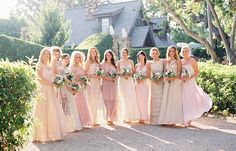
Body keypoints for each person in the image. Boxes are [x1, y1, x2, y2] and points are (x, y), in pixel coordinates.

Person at [33, 47, 67, 142]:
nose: (47, 55)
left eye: (48, 54)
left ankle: (53, 133)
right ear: (41, 55)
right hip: (42, 90)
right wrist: (51, 83)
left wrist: (58, 82)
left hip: (51, 90)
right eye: (45, 53)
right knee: (41, 110)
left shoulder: (50, 65)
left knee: (52, 110)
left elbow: (53, 77)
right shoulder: (39, 65)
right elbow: (39, 78)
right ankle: (38, 135)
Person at [180, 46, 212, 127]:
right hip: (182, 83)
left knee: (190, 100)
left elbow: (196, 72)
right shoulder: (181, 61)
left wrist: (188, 78)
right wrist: (182, 77)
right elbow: (179, 72)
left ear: (189, 52)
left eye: (186, 51)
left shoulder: (193, 60)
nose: (184, 53)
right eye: (183, 51)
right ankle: (184, 118)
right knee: (183, 100)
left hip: (190, 83)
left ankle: (189, 119)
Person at [159, 46, 184, 125]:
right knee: (167, 99)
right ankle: (166, 119)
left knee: (174, 100)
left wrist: (172, 78)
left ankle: (174, 120)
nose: (171, 52)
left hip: (175, 82)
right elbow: (164, 72)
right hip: (167, 82)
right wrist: (166, 77)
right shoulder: (165, 61)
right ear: (168, 52)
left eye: (173, 51)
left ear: (175, 52)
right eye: (170, 51)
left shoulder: (178, 61)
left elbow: (179, 72)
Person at [60, 53, 83, 132]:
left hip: (70, 89)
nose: (67, 60)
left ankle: (74, 125)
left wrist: (75, 88)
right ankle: (68, 126)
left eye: (68, 58)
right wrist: (70, 90)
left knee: (72, 106)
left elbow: (71, 80)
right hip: (65, 90)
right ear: (61, 59)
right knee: (66, 107)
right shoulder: (60, 69)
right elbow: (62, 82)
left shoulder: (68, 69)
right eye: (65, 58)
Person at [70, 51, 93, 128]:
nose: (78, 58)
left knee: (83, 103)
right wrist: (79, 79)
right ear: (74, 58)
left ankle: (84, 121)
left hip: (82, 87)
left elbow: (86, 75)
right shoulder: (72, 67)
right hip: (76, 87)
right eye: (76, 57)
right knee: (77, 103)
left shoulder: (81, 66)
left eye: (79, 57)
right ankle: (78, 122)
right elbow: (71, 78)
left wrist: (85, 79)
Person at [117, 48, 139, 123]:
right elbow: (117, 72)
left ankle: (131, 115)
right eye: (122, 53)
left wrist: (129, 74)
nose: (124, 54)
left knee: (130, 97)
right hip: (122, 80)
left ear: (127, 53)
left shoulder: (131, 61)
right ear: (121, 54)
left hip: (129, 80)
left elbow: (133, 71)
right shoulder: (119, 62)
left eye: (125, 52)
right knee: (123, 97)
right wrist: (123, 75)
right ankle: (124, 116)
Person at [85, 47, 104, 126]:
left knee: (96, 100)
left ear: (96, 53)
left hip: (97, 82)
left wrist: (99, 75)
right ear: (89, 52)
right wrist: (93, 75)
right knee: (91, 100)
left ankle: (95, 119)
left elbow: (100, 72)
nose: (93, 53)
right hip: (91, 82)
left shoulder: (97, 61)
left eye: (94, 51)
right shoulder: (88, 61)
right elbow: (86, 73)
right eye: (92, 51)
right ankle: (90, 120)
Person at [147, 47, 164, 125]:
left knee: (161, 99)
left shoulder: (162, 61)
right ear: (151, 54)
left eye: (156, 53)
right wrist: (154, 79)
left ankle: (161, 119)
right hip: (153, 83)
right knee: (154, 100)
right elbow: (148, 74)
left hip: (161, 82)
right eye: (153, 53)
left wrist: (160, 78)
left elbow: (165, 72)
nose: (154, 54)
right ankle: (154, 120)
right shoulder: (149, 63)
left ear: (158, 53)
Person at [101, 50, 118, 125]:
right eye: (107, 55)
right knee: (106, 100)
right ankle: (107, 117)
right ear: (105, 56)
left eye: (109, 55)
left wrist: (114, 78)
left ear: (112, 56)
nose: (108, 56)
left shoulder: (114, 64)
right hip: (105, 84)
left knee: (113, 100)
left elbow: (117, 74)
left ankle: (112, 117)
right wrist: (108, 78)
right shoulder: (102, 64)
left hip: (113, 84)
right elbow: (101, 75)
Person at [134, 51, 150, 123]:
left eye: (142, 56)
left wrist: (142, 78)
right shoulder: (136, 65)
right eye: (139, 57)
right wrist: (137, 78)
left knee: (144, 100)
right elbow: (134, 74)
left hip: (144, 84)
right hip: (137, 85)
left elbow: (148, 75)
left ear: (144, 56)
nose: (140, 58)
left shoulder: (147, 65)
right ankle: (140, 117)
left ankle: (145, 117)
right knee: (138, 100)